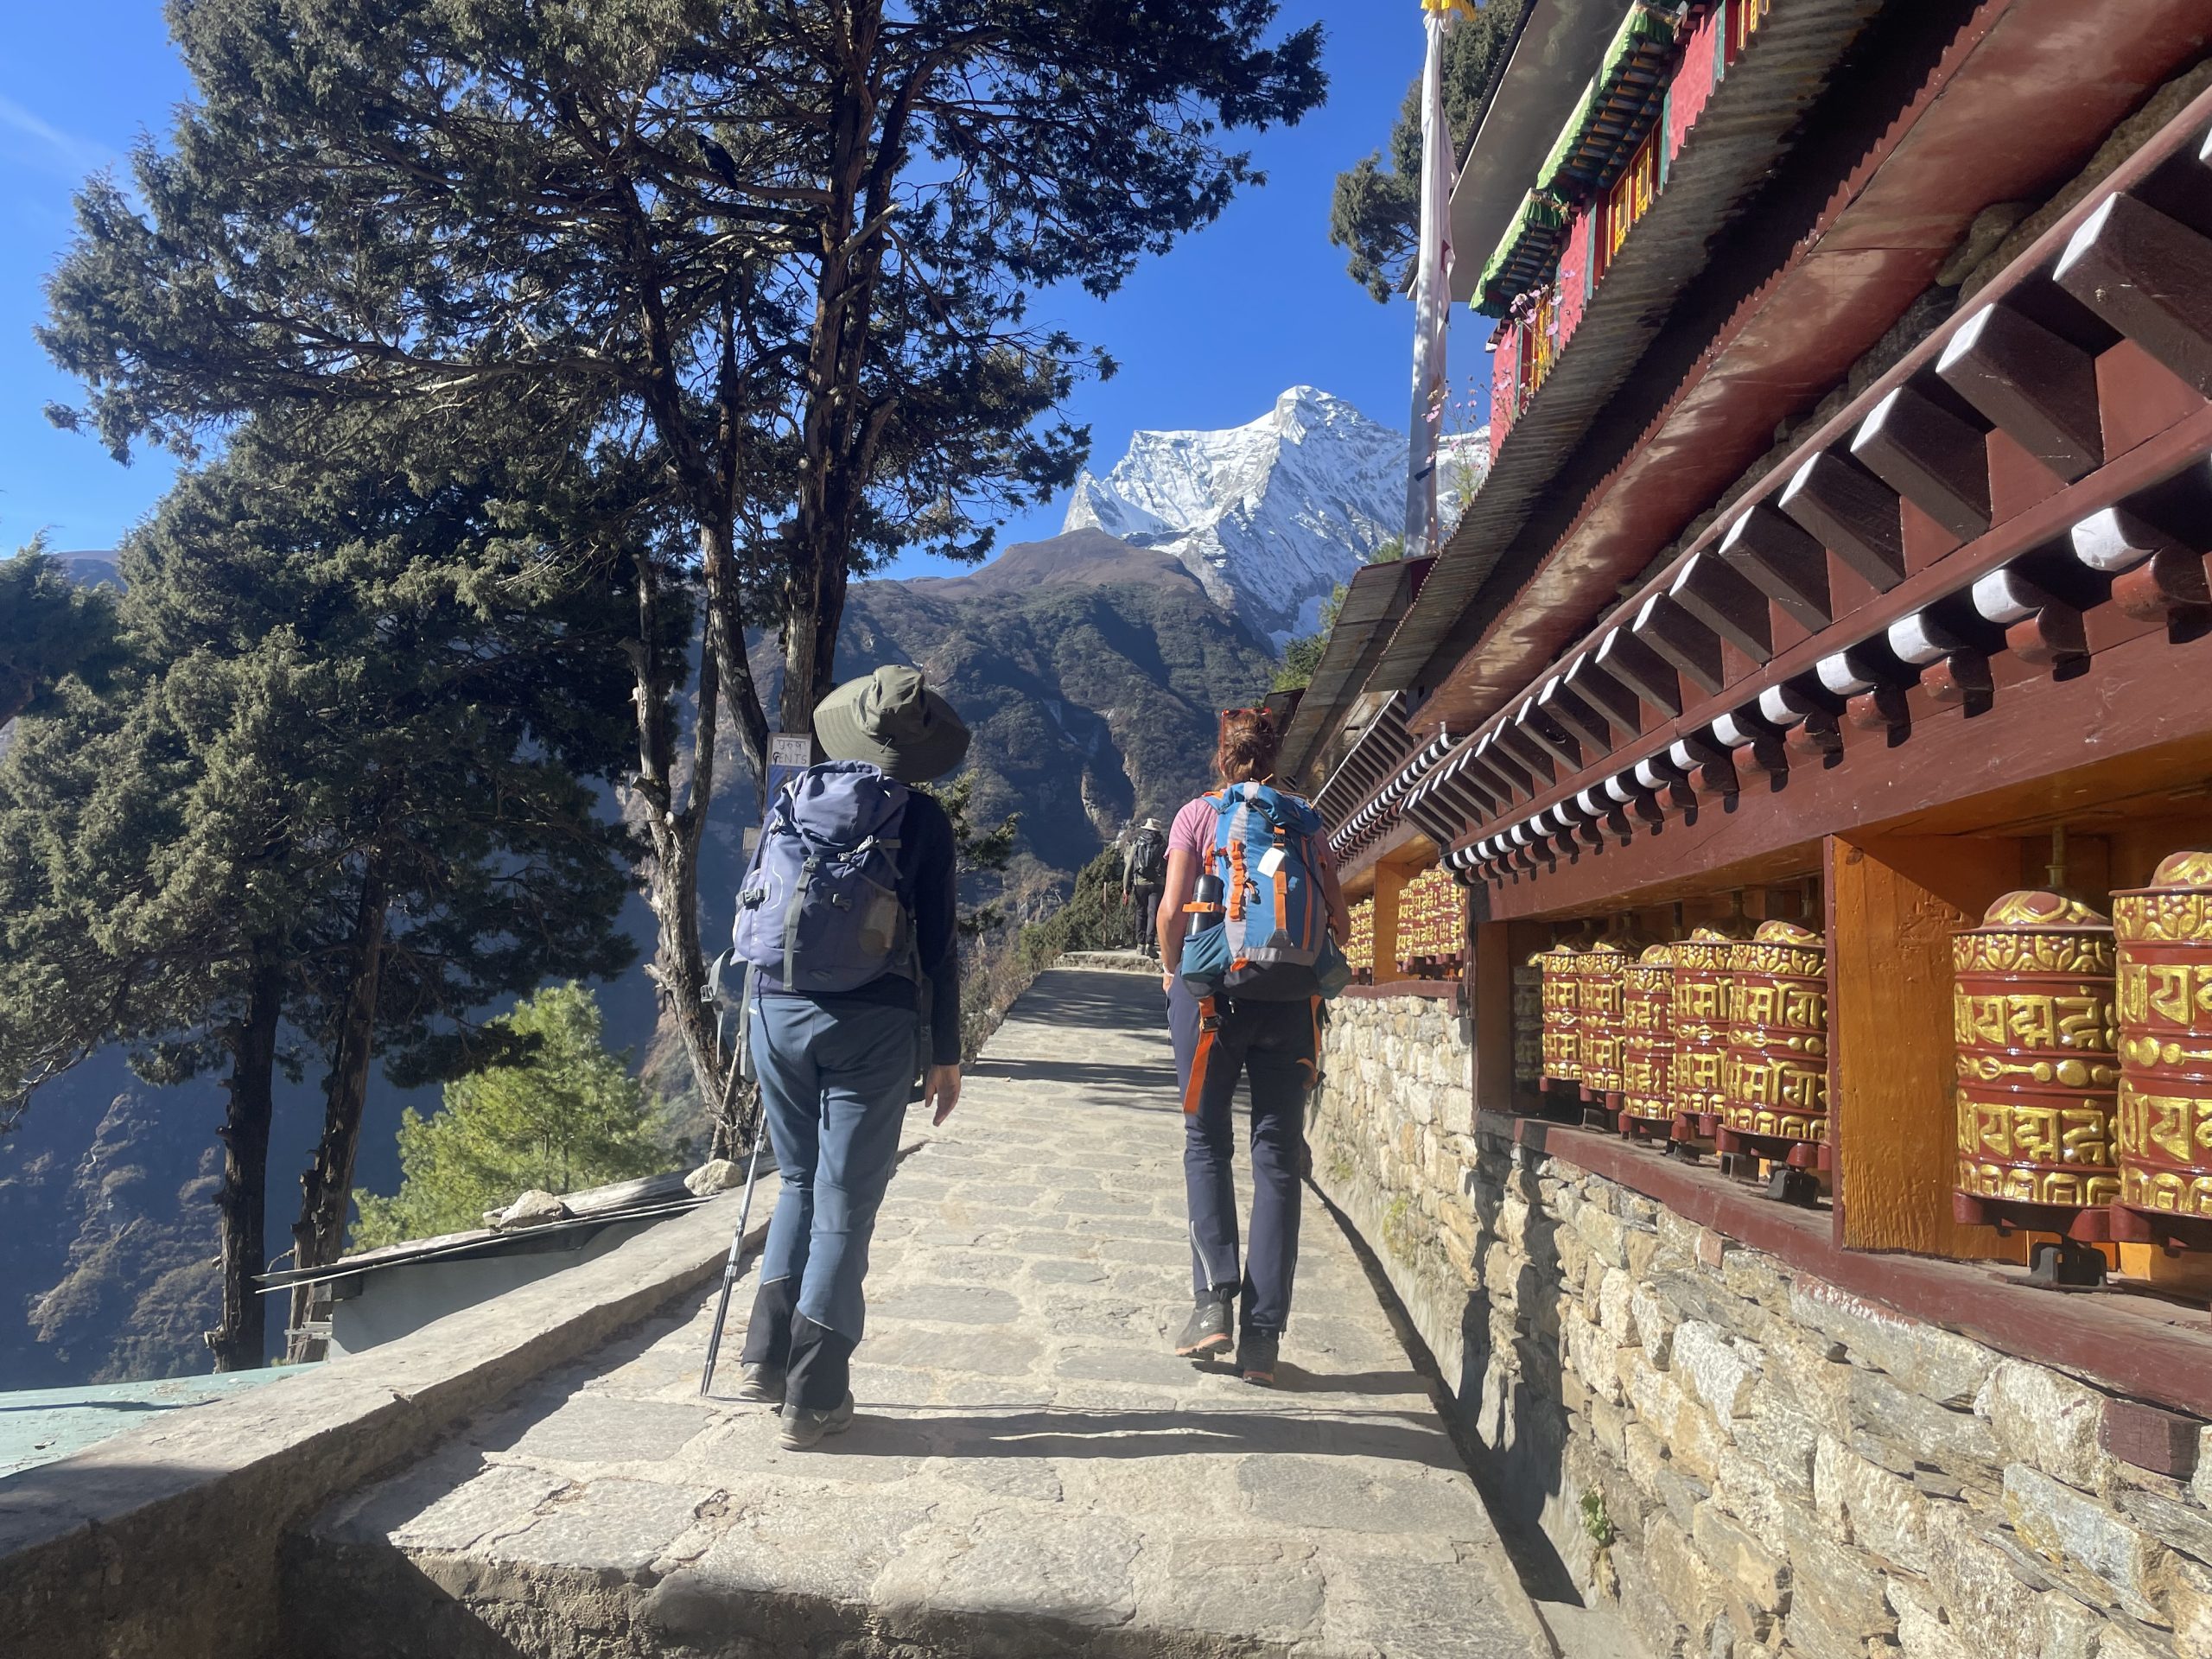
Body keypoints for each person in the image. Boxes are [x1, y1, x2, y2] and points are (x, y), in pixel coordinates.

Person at [733, 664, 969, 1449]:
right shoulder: (922, 822)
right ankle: (815, 1394)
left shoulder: (792, 801)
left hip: (773, 1009)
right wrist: (946, 1051)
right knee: (846, 1206)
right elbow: (938, 945)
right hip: (872, 1025)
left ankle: (764, 1358)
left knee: (797, 1182)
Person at [1155, 707, 1348, 1386]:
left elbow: (1172, 909)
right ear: (1276, 754)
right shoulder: (1305, 820)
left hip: (1211, 999)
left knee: (1206, 1142)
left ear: (1222, 754)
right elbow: (1340, 915)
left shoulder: (1197, 816)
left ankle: (1213, 1305)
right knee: (1277, 1157)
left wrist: (1174, 973)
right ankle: (1263, 1340)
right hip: (1291, 1003)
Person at [1122, 817, 1168, 957]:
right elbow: (1168, 865)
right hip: (1157, 883)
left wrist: (1126, 887)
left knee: (1140, 913)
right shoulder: (1163, 844)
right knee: (1152, 913)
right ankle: (1150, 944)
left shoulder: (1138, 843)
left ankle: (1140, 945)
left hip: (1139, 883)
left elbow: (1129, 866)